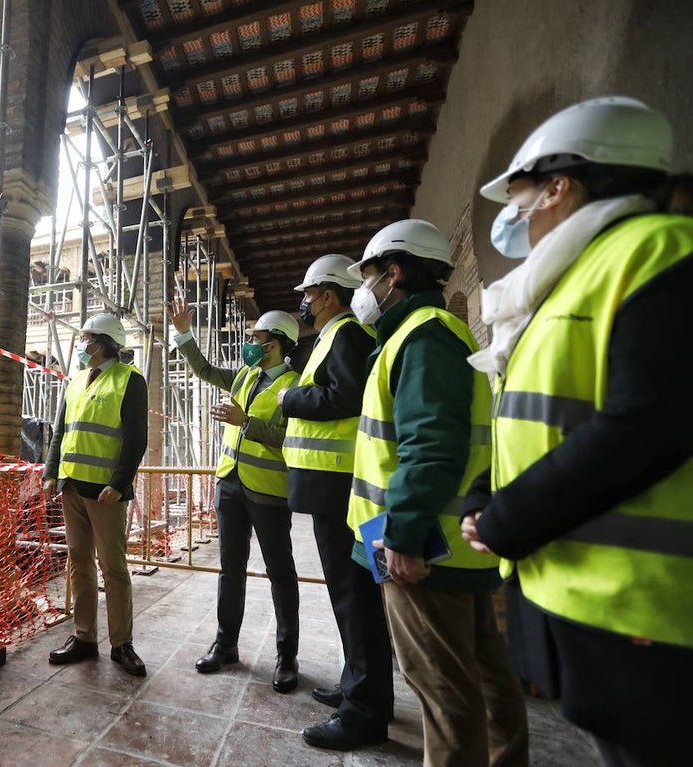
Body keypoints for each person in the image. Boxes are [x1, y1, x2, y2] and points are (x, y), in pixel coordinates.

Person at [461, 96, 693, 766]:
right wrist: (490, 492)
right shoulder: (568, 281)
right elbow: (548, 415)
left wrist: (511, 515)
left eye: (518, 195)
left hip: (649, 607)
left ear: (559, 186)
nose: (513, 215)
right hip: (582, 588)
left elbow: (648, 422)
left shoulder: (659, 251)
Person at [346, 220, 529, 766]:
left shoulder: (423, 336)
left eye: (369, 275)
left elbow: (430, 446)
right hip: (436, 538)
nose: (365, 289)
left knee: (441, 688)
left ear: (395, 273)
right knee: (483, 676)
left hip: (420, 544)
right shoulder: (429, 333)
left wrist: (404, 534)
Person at [277, 255, 394, 750]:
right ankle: (356, 685)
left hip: (339, 483)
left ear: (326, 295)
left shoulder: (346, 335)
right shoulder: (334, 336)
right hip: (331, 484)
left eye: (308, 294)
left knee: (355, 597)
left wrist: (289, 400)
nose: (304, 302)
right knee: (350, 596)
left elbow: (344, 397)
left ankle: (364, 712)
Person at [165, 297, 302, 692]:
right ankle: (226, 645)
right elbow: (205, 370)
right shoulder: (245, 375)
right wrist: (184, 334)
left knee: (281, 573)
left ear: (275, 342)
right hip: (229, 484)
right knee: (230, 568)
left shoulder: (296, 386)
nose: (250, 343)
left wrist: (247, 422)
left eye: (256, 338)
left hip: (269, 492)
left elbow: (291, 439)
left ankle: (286, 656)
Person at [43, 313, 148, 677]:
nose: (82, 345)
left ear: (103, 343)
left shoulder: (129, 380)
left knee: (113, 567)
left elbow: (136, 438)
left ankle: (122, 644)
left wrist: (119, 483)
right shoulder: (75, 382)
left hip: (105, 492)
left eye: (87, 338)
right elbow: (61, 431)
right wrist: (51, 473)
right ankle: (84, 637)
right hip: (71, 485)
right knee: (79, 562)